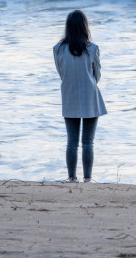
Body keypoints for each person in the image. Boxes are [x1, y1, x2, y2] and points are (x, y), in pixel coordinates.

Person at [53, 10, 107, 182]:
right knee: (88, 142)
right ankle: (87, 179)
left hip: (69, 95)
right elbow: (97, 76)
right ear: (85, 27)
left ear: (67, 27)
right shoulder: (92, 48)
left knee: (72, 142)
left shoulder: (58, 49)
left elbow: (61, 73)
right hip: (90, 96)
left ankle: (71, 178)